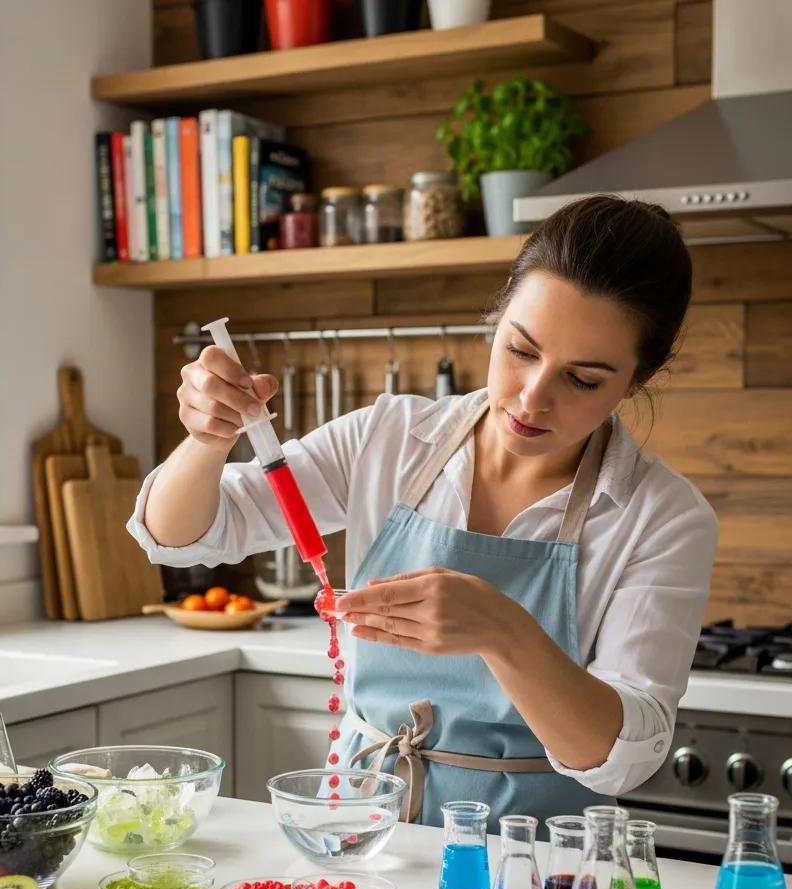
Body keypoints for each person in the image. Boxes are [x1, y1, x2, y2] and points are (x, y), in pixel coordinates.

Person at [127, 195, 718, 828]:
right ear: (497, 320)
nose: (532, 398)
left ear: (636, 379)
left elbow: (622, 760)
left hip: (537, 858)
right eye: (521, 350)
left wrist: (503, 630)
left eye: (582, 379)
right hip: (362, 831)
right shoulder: (389, 438)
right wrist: (208, 439)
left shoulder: (661, 516)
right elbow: (178, 536)